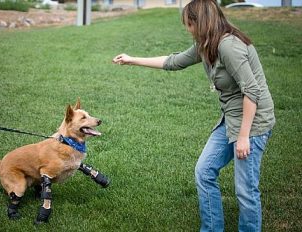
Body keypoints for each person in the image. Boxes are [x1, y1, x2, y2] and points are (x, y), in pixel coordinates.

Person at [112, 0, 275, 231]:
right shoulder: (207, 44)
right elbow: (174, 61)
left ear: (201, 22)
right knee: (204, 171)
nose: (188, 29)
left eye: (189, 24)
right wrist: (132, 60)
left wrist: (244, 136)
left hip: (253, 122)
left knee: (245, 189)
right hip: (231, 118)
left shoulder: (229, 46)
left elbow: (252, 91)